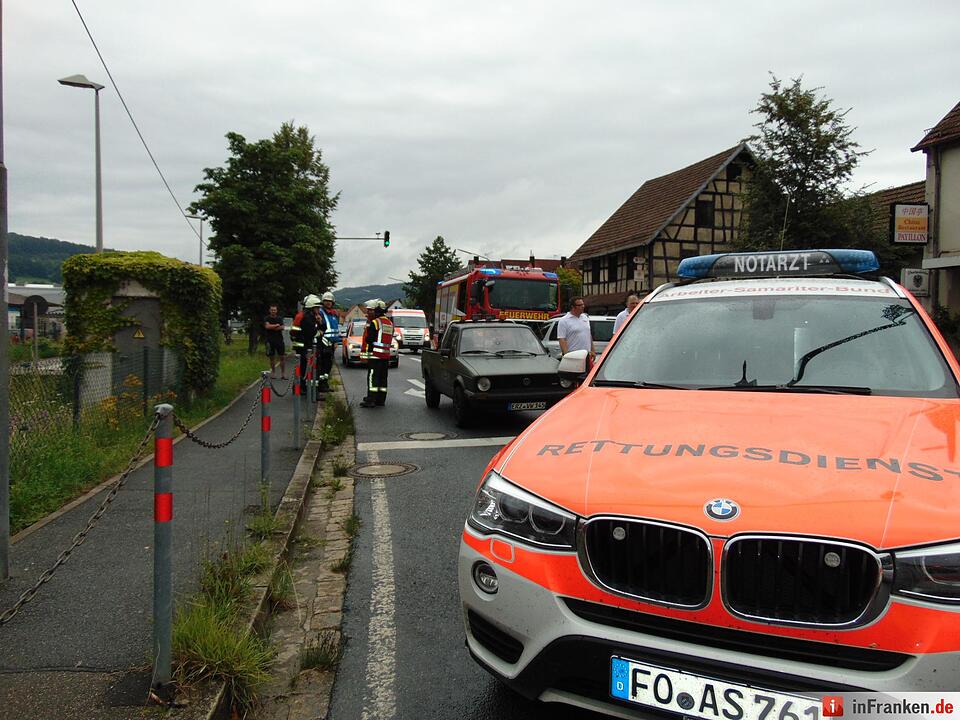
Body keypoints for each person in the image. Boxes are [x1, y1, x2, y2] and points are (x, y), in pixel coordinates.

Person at [359, 299, 394, 408]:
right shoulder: (390, 323)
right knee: (383, 379)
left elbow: (370, 339)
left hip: (375, 355)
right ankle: (380, 400)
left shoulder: (375, 322)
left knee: (373, 378)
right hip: (386, 356)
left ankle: (371, 400)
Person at [293, 295, 321, 395]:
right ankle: (299, 387)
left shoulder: (306, 316)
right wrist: (319, 332)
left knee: (302, 367)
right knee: (303, 367)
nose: (318, 309)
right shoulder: (307, 318)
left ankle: (300, 387)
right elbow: (311, 333)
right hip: (304, 346)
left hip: (301, 345)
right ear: (311, 308)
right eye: (317, 307)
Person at [316, 291, 340, 393]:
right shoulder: (320, 313)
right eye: (326, 301)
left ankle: (325, 384)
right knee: (322, 366)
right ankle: (321, 386)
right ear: (323, 302)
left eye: (330, 301)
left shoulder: (334, 314)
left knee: (328, 366)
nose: (328, 303)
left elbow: (335, 330)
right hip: (323, 343)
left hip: (331, 345)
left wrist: (336, 342)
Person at [557, 296, 594, 362]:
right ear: (572, 307)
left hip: (587, 355)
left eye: (583, 304)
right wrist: (567, 356)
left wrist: (593, 350)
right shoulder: (564, 320)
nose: (583, 306)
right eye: (580, 305)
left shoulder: (585, 317)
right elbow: (562, 339)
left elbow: (589, 335)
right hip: (573, 356)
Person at [263, 304, 287, 378]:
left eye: (274, 310)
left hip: (279, 340)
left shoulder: (279, 318)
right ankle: (273, 373)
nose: (273, 311)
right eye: (272, 310)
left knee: (282, 357)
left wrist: (272, 327)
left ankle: (283, 373)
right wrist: (276, 325)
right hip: (270, 340)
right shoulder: (266, 318)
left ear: (276, 311)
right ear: (270, 311)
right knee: (272, 357)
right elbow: (267, 326)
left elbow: (282, 327)